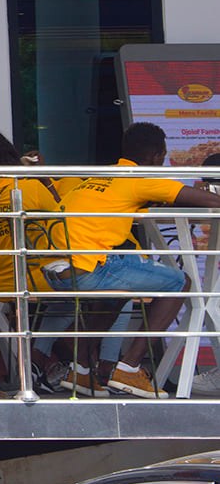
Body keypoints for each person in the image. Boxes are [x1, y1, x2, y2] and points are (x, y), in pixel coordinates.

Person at [51, 122, 220, 398]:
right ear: (156, 156)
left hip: (57, 269)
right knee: (180, 282)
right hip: (88, 269)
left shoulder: (100, 177)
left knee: (120, 291)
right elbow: (212, 202)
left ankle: (79, 368)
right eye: (163, 157)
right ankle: (129, 368)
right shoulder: (139, 179)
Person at [0, 126, 72, 392]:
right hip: (41, 279)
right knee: (90, 295)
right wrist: (42, 177)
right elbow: (64, 217)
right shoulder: (28, 187)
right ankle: (49, 361)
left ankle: (43, 364)